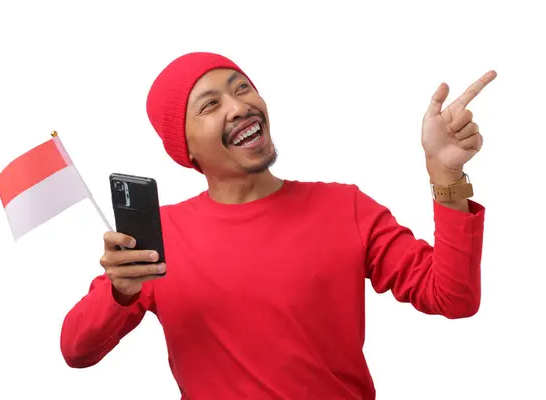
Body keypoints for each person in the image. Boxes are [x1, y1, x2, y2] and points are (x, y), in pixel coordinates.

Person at [60, 52, 496, 399]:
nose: (239, 106)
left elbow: (453, 297)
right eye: (210, 105)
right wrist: (121, 293)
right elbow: (77, 350)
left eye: (242, 88)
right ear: (185, 147)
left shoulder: (346, 207)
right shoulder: (158, 241)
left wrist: (446, 176)